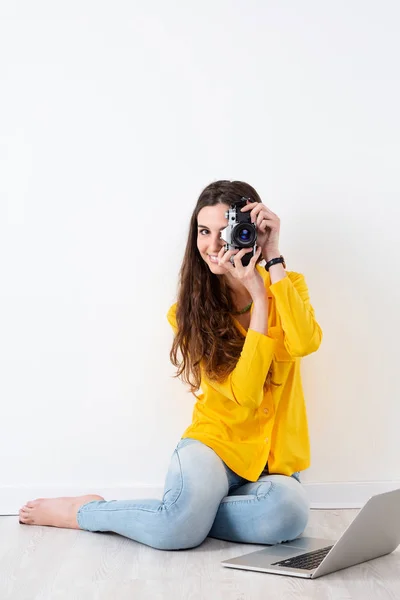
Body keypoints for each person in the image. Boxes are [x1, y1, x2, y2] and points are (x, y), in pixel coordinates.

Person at [19, 180, 323, 551]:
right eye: (203, 232)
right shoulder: (187, 314)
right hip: (214, 447)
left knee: (290, 512)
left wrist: (272, 261)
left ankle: (188, 515)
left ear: (252, 233)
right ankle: (87, 512)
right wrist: (259, 304)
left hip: (270, 466)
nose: (212, 247)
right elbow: (244, 395)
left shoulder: (288, 287)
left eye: (224, 231)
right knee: (176, 534)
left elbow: (306, 342)